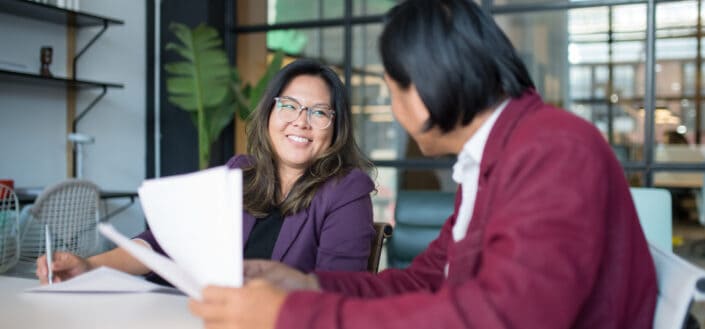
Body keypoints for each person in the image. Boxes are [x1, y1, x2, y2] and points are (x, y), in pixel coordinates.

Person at [188, 1, 657, 329]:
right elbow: (426, 280)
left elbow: (506, 318)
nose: (393, 110)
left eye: (392, 91)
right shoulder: (491, 159)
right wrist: (307, 284)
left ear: (428, 88)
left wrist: (287, 317)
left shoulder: (554, 150)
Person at [35, 59, 377, 284]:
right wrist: (91, 267)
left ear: (335, 128)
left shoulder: (347, 190)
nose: (300, 121)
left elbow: (338, 288)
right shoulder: (239, 173)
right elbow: (163, 243)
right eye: (289, 106)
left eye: (319, 113)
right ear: (269, 113)